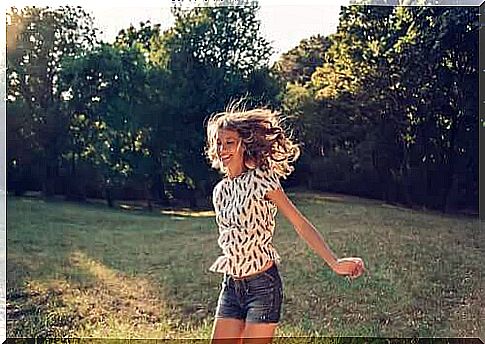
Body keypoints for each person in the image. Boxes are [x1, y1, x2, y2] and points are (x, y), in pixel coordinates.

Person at [205, 105, 365, 344]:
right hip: (231, 286)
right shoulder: (220, 191)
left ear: (243, 144)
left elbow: (299, 222)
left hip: (262, 286)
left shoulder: (261, 178)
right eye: (218, 143)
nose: (222, 149)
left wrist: (334, 262)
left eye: (229, 142)